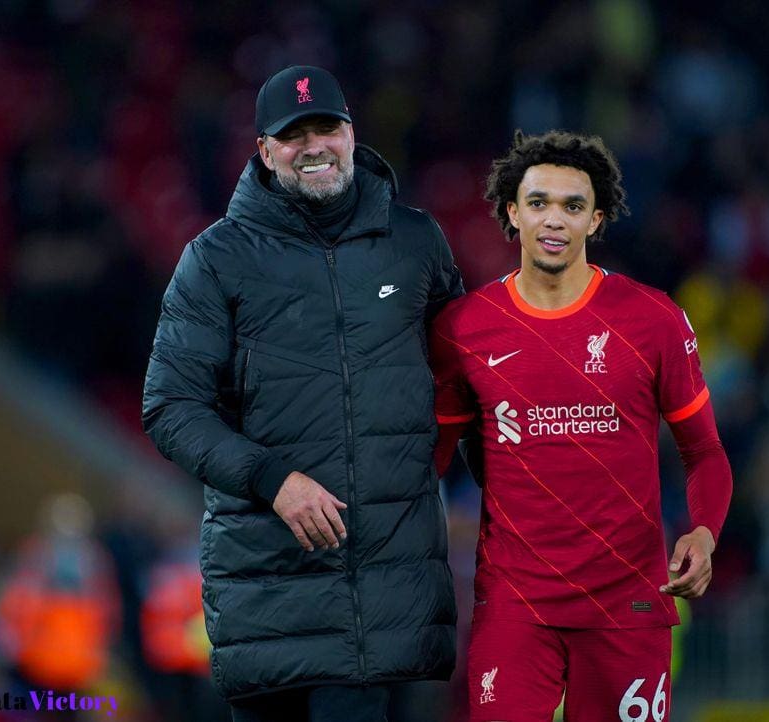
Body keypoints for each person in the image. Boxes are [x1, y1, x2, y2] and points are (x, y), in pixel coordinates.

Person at [142, 65, 463, 722]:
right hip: (267, 595)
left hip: (382, 605)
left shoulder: (415, 243)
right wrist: (273, 479)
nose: (313, 145)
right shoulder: (216, 259)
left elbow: (467, 383)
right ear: (263, 151)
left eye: (326, 128)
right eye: (293, 135)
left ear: (351, 133)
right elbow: (170, 406)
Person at [429, 130, 732, 722]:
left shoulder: (652, 320)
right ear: (512, 212)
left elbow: (705, 451)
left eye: (573, 206)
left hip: (628, 607)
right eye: (538, 202)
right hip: (516, 607)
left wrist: (704, 532)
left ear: (596, 220)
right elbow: (429, 463)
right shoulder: (463, 329)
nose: (554, 219)